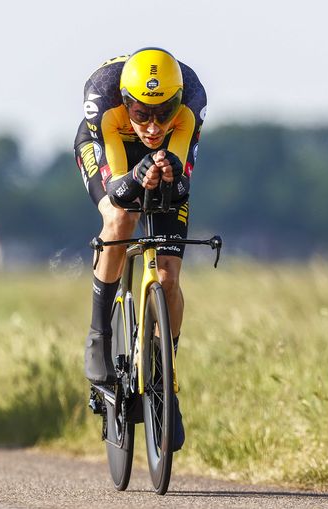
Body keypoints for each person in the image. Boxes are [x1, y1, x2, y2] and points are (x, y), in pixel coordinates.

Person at [74, 48, 207, 450]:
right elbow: (117, 188)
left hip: (163, 162)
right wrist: (137, 174)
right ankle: (99, 335)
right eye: (141, 112)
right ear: (125, 101)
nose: (152, 125)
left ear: (178, 104)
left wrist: (167, 175)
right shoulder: (103, 98)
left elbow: (182, 187)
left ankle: (165, 379)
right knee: (119, 220)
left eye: (163, 112)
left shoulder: (194, 102)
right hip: (112, 154)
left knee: (167, 277)